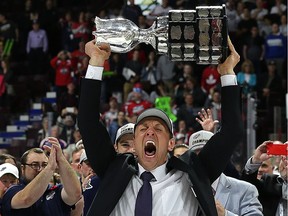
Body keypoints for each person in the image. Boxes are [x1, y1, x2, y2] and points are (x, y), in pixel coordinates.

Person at [78, 37, 242, 215]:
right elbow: (88, 123)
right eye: (143, 129)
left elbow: (232, 131)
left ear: (171, 143)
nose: (150, 132)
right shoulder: (114, 169)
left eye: (158, 129)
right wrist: (95, 62)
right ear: (134, 141)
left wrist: (227, 72)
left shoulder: (194, 172)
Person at [1, 137, 82, 215]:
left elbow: (75, 194)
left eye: (44, 165)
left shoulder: (56, 191)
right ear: (23, 168)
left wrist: (61, 159)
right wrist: (49, 168)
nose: (40, 169)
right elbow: (26, 199)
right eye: (35, 165)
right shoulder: (12, 191)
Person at [189, 130, 263, 215]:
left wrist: (225, 214)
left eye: (206, 153)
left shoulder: (245, 190)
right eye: (196, 154)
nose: (201, 159)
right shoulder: (181, 189)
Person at [241, 141, 288, 216]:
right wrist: (255, 160)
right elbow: (246, 185)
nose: (286, 162)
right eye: (284, 157)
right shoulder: (269, 181)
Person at [79, 150, 100, 216]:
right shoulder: (71, 189)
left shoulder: (105, 185)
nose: (93, 167)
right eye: (89, 164)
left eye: (97, 163)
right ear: (80, 167)